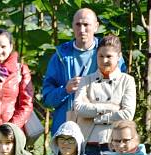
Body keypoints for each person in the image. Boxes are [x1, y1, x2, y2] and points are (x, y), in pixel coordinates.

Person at [42, 8, 126, 136]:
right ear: (72, 26)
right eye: (78, 24)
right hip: (67, 133)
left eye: (86, 24)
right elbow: (47, 99)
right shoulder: (59, 57)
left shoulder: (110, 54)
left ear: (96, 26)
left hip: (102, 132)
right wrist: (66, 90)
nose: (82, 30)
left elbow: (123, 93)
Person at [72, 35, 136, 155]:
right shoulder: (86, 80)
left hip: (115, 145)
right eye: (100, 56)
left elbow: (127, 114)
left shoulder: (127, 81)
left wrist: (98, 118)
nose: (104, 60)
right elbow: (78, 108)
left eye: (109, 56)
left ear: (118, 56)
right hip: (88, 145)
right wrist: (109, 107)